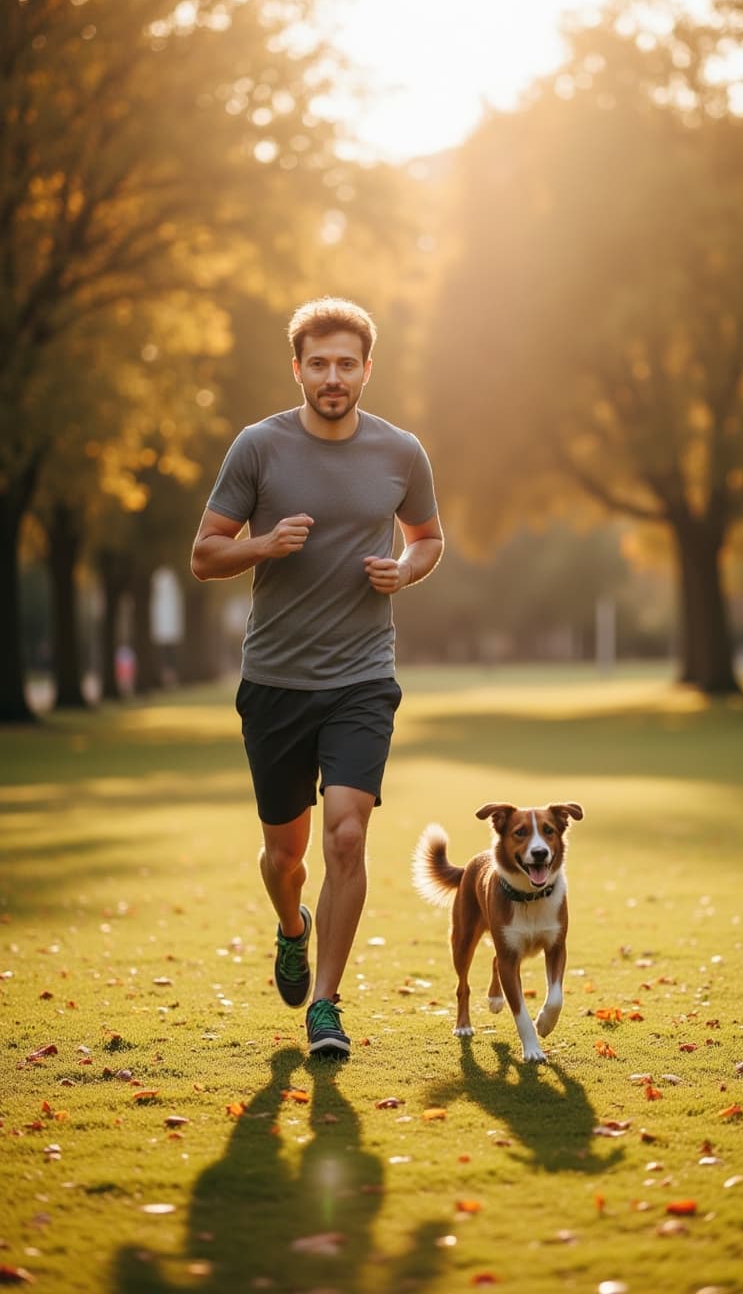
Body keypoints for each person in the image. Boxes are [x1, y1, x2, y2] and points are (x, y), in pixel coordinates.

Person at [191, 297, 443, 1058]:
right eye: (319, 363)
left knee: (347, 835)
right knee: (286, 857)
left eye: (346, 363)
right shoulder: (258, 448)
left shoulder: (401, 453)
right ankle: (292, 927)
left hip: (363, 678)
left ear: (367, 369)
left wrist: (403, 570)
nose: (333, 377)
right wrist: (263, 545)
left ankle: (326, 1006)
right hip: (274, 681)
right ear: (297, 368)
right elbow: (205, 554)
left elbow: (428, 538)